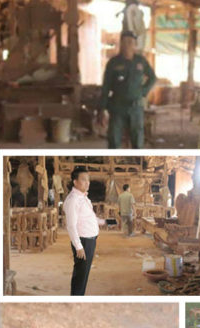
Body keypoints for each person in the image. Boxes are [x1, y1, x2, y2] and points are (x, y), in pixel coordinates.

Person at [98, 30, 156, 149]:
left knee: (137, 141)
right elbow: (106, 87)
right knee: (114, 140)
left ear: (135, 45)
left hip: (135, 107)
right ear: (121, 44)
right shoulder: (113, 63)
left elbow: (152, 78)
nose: (127, 45)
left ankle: (137, 161)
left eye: (130, 42)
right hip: (117, 107)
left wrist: (143, 92)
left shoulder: (140, 61)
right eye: (124, 42)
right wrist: (101, 109)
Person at [63, 167, 105, 295]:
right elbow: (71, 225)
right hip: (83, 242)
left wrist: (105, 222)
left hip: (90, 240)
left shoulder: (83, 198)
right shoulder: (73, 200)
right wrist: (79, 246)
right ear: (75, 182)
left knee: (84, 274)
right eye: (83, 180)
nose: (87, 183)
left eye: (88, 180)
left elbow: (89, 218)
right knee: (80, 275)